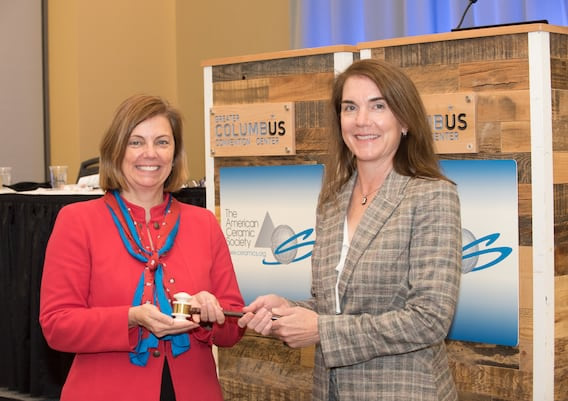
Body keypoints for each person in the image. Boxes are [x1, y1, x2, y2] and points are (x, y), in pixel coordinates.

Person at [238, 59, 462, 401]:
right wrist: (287, 308)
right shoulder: (332, 200)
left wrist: (321, 329)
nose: (361, 121)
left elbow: (429, 319)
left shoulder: (431, 195)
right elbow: (336, 306)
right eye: (350, 107)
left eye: (378, 106)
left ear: (403, 120)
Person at [40, 94, 245, 401]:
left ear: (174, 154)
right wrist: (131, 317)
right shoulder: (77, 221)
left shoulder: (203, 223)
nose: (150, 154)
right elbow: (58, 325)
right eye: (136, 142)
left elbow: (232, 328)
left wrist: (208, 314)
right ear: (116, 150)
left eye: (162, 142)